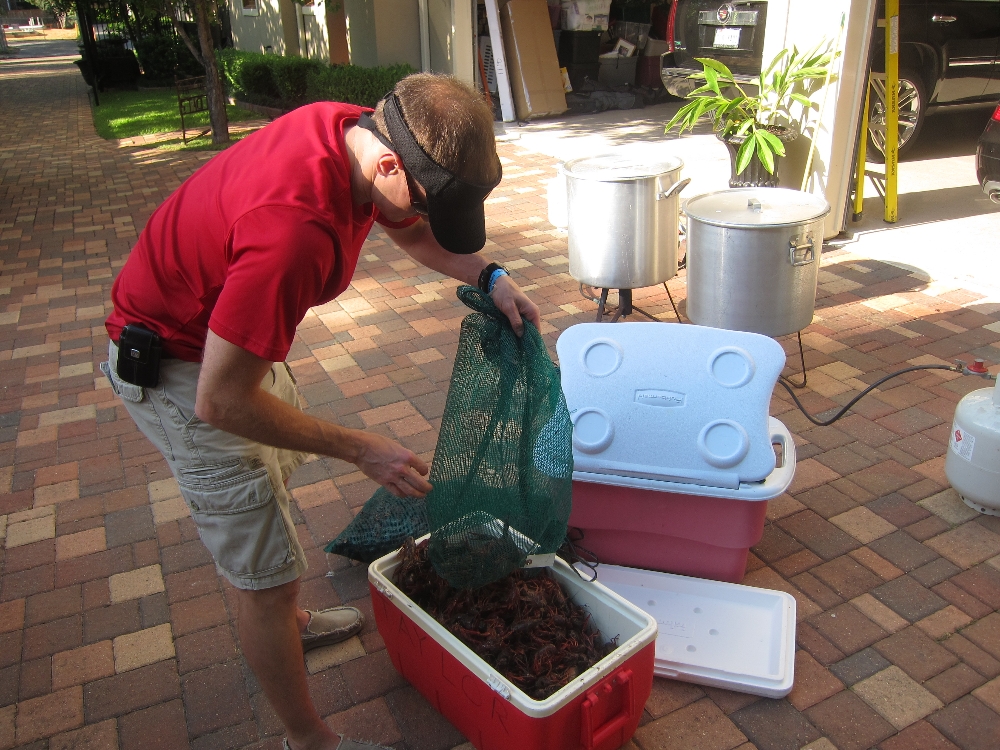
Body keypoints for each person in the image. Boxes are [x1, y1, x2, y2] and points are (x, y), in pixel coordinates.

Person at [102, 73, 540, 750]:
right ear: (389, 163)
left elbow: (410, 230)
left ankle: (291, 623)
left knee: (271, 484)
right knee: (264, 579)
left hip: (222, 345)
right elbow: (221, 401)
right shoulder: (294, 234)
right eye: (431, 203)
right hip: (182, 370)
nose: (427, 220)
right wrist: (362, 448)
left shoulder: (355, 129)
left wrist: (491, 276)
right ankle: (308, 738)